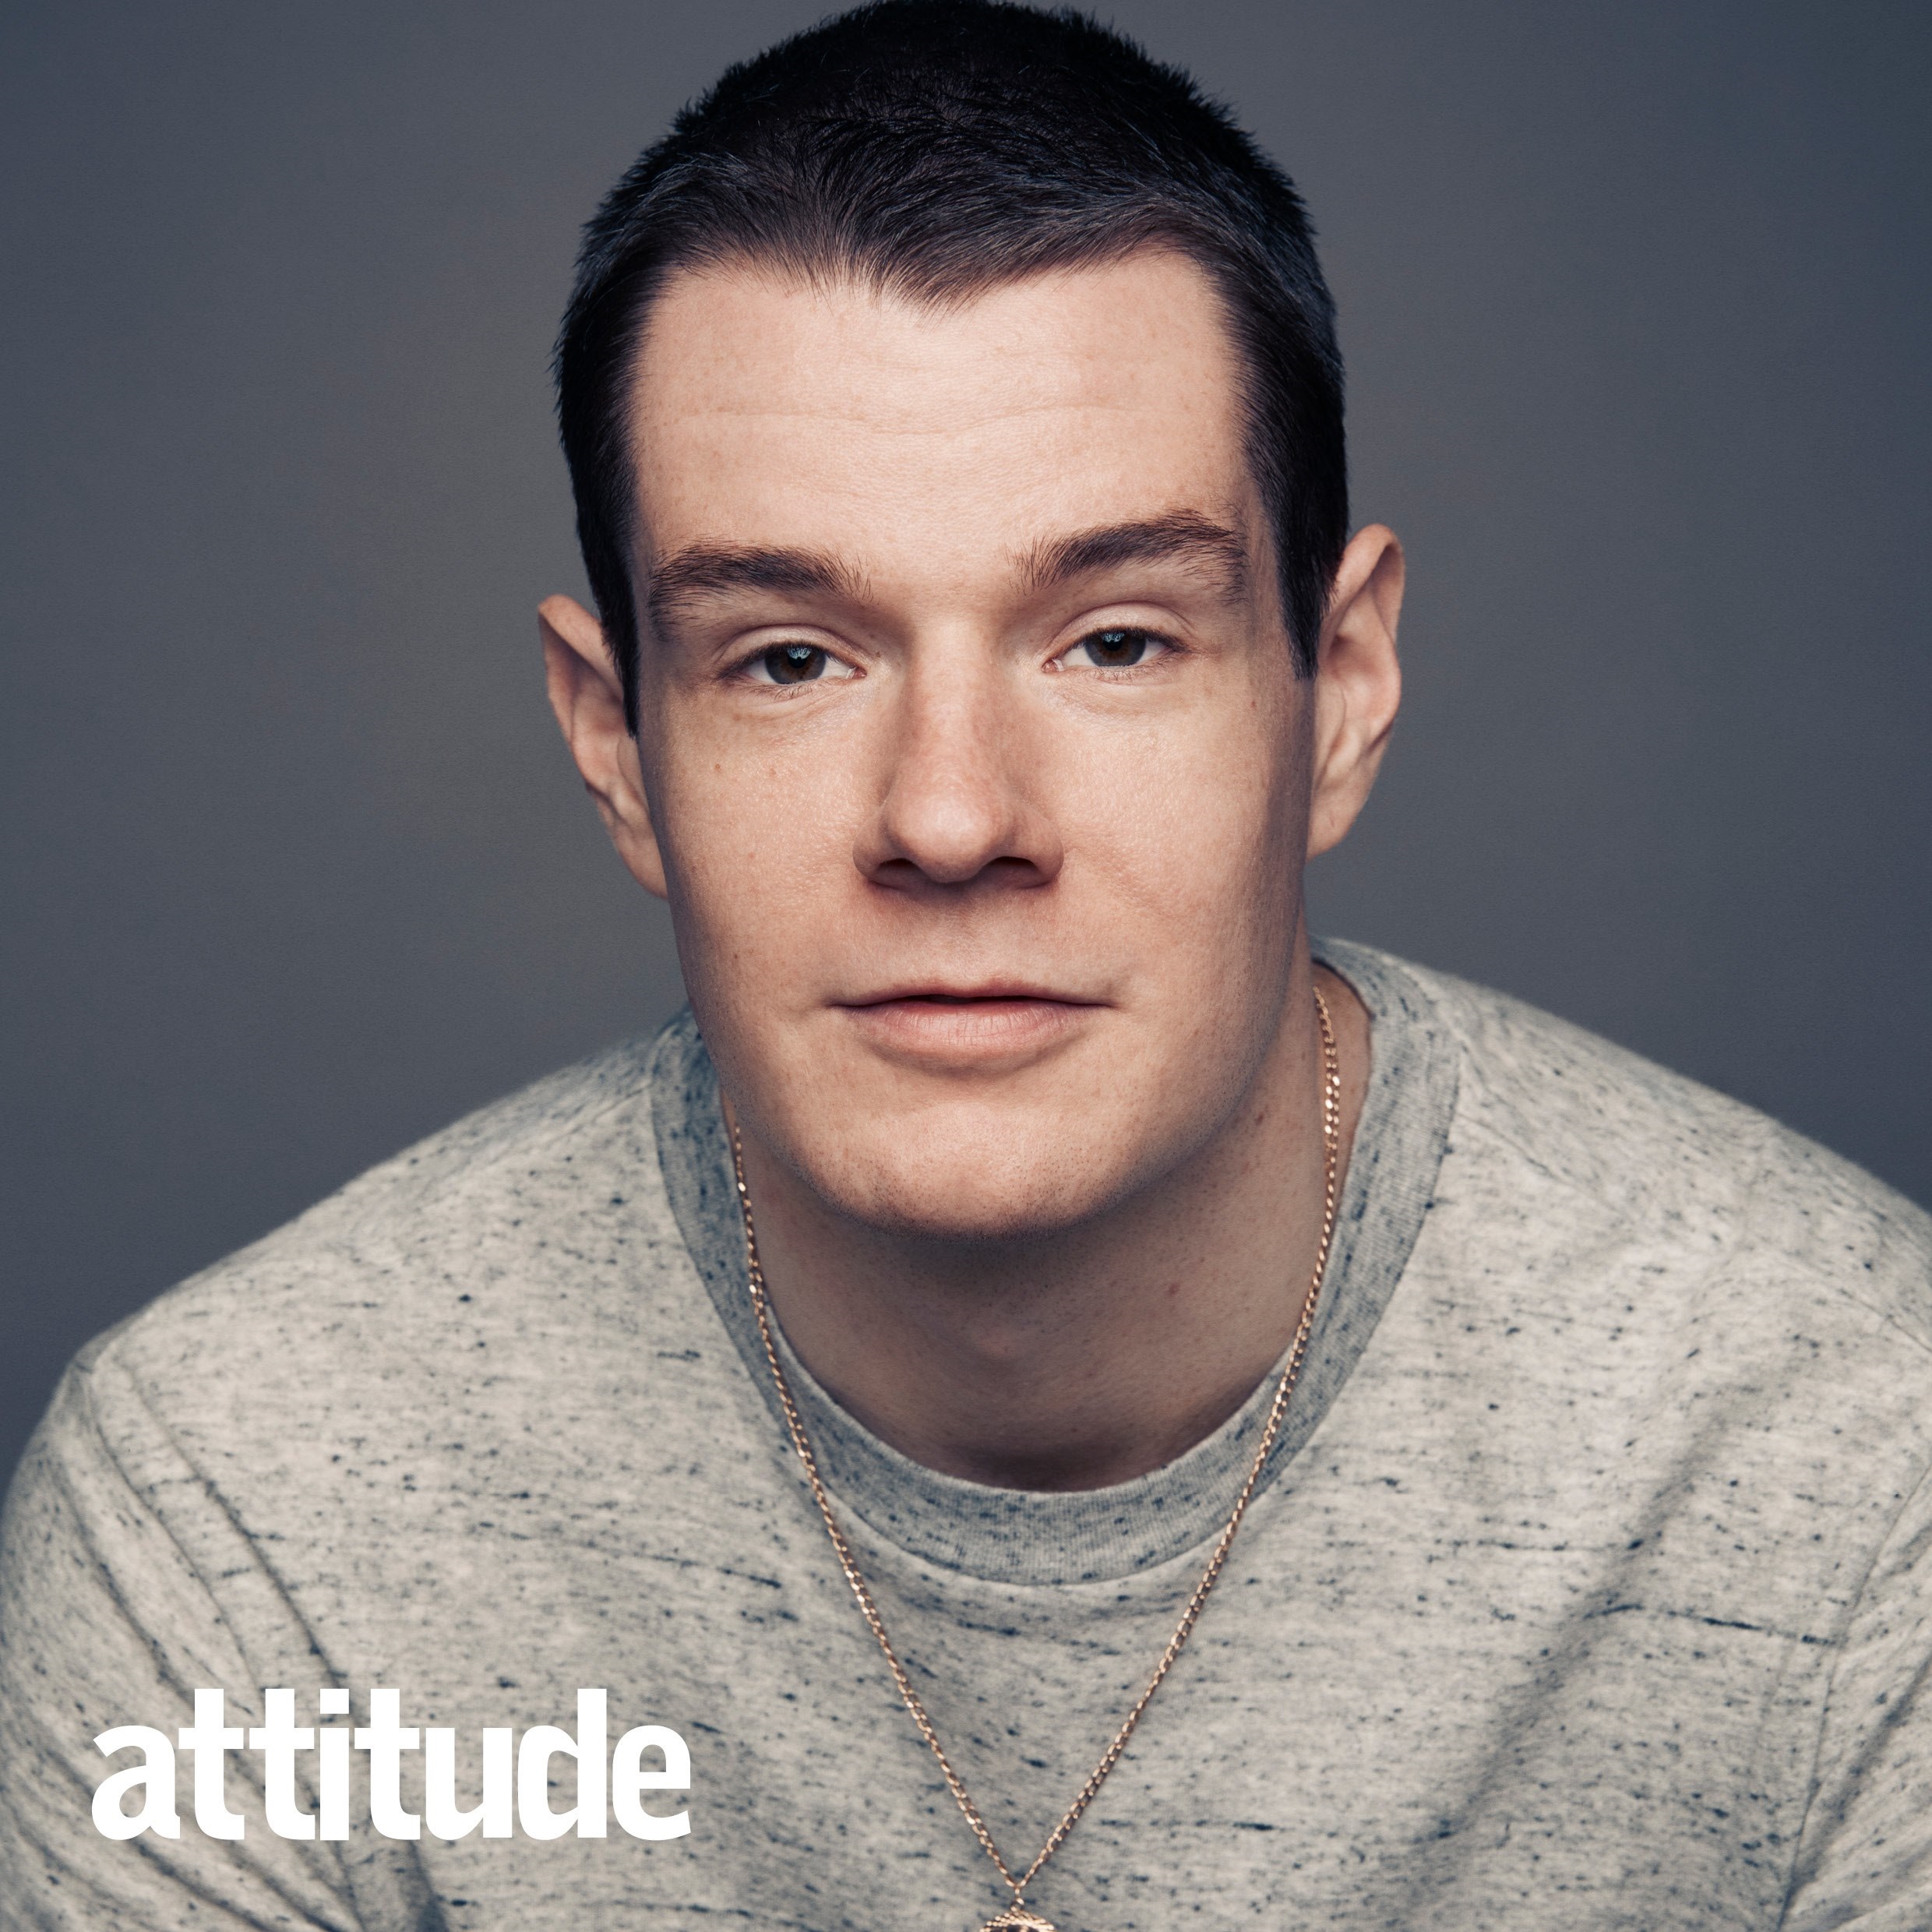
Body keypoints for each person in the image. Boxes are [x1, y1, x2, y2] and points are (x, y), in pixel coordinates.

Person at [2, 2, 1928, 1927]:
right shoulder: (242, 1511)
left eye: (1115, 641)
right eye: (788, 658)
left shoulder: (1858, 1457)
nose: (947, 815)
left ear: (1338, 691)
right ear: (616, 744)